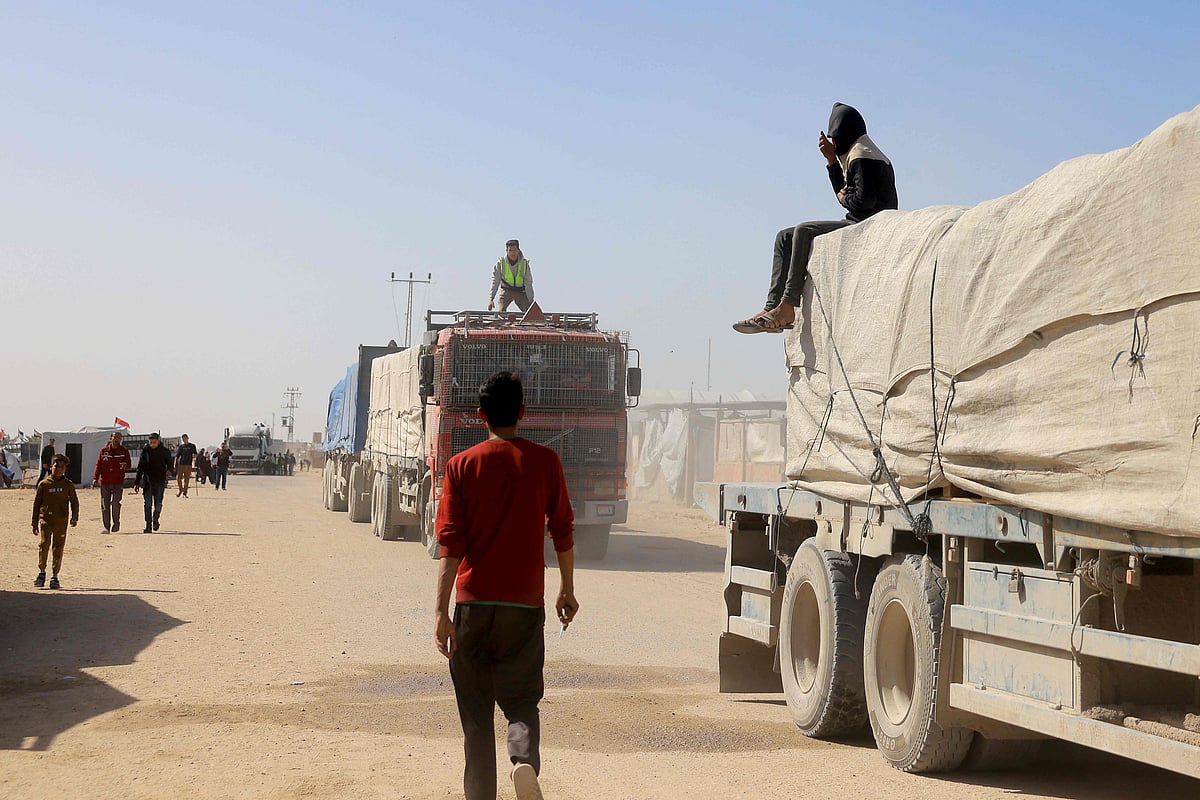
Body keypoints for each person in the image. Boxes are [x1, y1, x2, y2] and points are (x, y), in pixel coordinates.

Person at [434, 371, 578, 800]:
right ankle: (524, 762)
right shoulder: (544, 462)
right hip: (524, 606)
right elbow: (564, 530)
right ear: (523, 413)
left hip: (474, 605)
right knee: (520, 702)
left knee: (476, 719)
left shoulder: (461, 466)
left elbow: (450, 544)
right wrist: (566, 589)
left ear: (480, 416)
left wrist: (441, 612)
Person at [734, 102, 898, 333]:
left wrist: (843, 197)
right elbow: (849, 194)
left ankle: (788, 305)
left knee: (803, 230)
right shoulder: (856, 153)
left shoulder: (864, 155)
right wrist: (832, 162)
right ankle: (772, 306)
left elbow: (863, 201)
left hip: (869, 224)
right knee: (784, 237)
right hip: (857, 221)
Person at [31, 453, 79, 589]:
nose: (58, 469)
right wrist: (34, 522)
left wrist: (74, 517)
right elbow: (36, 504)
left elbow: (74, 502)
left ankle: (55, 576)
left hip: (61, 521)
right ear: (51, 467)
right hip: (46, 520)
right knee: (44, 544)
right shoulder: (43, 484)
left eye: (62, 467)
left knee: (58, 548)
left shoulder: (68, 485)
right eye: (56, 466)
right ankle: (41, 572)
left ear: (65, 469)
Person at [92, 430, 132, 533]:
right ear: (111, 438)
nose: (116, 439)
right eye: (115, 437)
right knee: (105, 505)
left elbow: (129, 464)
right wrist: (95, 478)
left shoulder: (124, 451)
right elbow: (98, 465)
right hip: (105, 481)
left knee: (115, 503)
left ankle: (116, 523)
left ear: (121, 439)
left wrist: (125, 466)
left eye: (119, 437)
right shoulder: (104, 451)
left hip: (118, 481)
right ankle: (106, 527)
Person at [133, 432, 175, 532]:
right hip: (148, 482)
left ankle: (155, 518)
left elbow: (169, 463)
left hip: (160, 481)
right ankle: (148, 525)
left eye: (154, 442)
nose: (152, 444)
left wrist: (169, 470)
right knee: (147, 504)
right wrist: (137, 482)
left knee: (158, 503)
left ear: (158, 441)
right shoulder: (145, 451)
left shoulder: (165, 451)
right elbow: (140, 467)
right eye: (150, 442)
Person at [487, 239, 536, 313]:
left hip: (521, 291)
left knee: (530, 314)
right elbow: (495, 281)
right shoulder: (501, 263)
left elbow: (528, 283)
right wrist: (491, 298)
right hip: (506, 290)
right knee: (501, 313)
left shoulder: (524, 265)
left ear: (518, 250)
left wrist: (531, 300)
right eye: (510, 250)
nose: (512, 253)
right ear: (506, 250)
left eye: (514, 250)